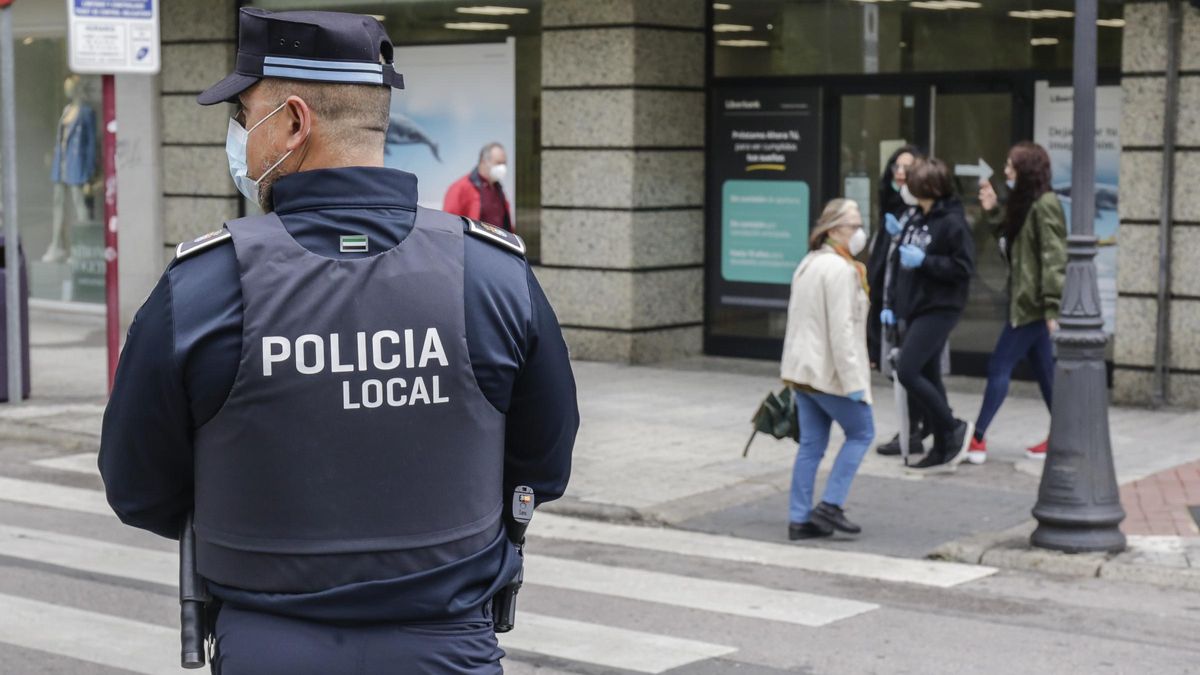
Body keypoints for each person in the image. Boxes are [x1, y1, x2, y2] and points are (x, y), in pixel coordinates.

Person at [98, 9, 578, 674]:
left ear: (293, 123)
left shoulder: (199, 290)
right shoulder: (496, 277)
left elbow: (139, 487)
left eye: (243, 116)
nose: (239, 137)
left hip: (266, 645)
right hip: (450, 646)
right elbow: (543, 467)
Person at [781, 199, 876, 540]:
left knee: (811, 446)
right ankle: (830, 505)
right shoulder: (839, 269)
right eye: (854, 225)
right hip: (828, 374)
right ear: (834, 230)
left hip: (803, 371)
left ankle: (799, 519)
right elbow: (842, 332)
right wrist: (854, 383)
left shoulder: (810, 262)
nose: (860, 232)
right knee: (863, 432)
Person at [967, 142, 1066, 464]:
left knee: (999, 366)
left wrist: (1053, 307)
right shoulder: (1027, 203)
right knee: (1045, 371)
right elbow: (1011, 237)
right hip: (1026, 301)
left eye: (1011, 166)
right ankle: (1063, 437)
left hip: (1031, 305)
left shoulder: (1045, 204)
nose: (1006, 171)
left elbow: (1054, 258)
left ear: (1026, 171)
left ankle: (977, 439)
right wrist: (994, 208)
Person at [892, 158, 976, 472]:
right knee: (928, 376)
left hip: (940, 307)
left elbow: (963, 268)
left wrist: (926, 262)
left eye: (911, 183)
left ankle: (954, 426)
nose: (905, 188)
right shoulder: (917, 217)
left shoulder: (952, 222)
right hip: (917, 306)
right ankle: (943, 447)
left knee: (908, 370)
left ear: (925, 189)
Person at [867, 145, 932, 458]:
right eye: (896, 166)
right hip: (894, 301)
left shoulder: (927, 214)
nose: (900, 173)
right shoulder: (896, 208)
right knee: (911, 371)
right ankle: (929, 425)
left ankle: (931, 426)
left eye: (907, 167)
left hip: (915, 306)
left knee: (910, 370)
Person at [444, 142, 514, 232]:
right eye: (498, 163)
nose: (502, 167)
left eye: (504, 163)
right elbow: (448, 226)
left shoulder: (498, 188)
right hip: (474, 245)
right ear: (484, 161)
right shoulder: (460, 188)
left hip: (498, 245)